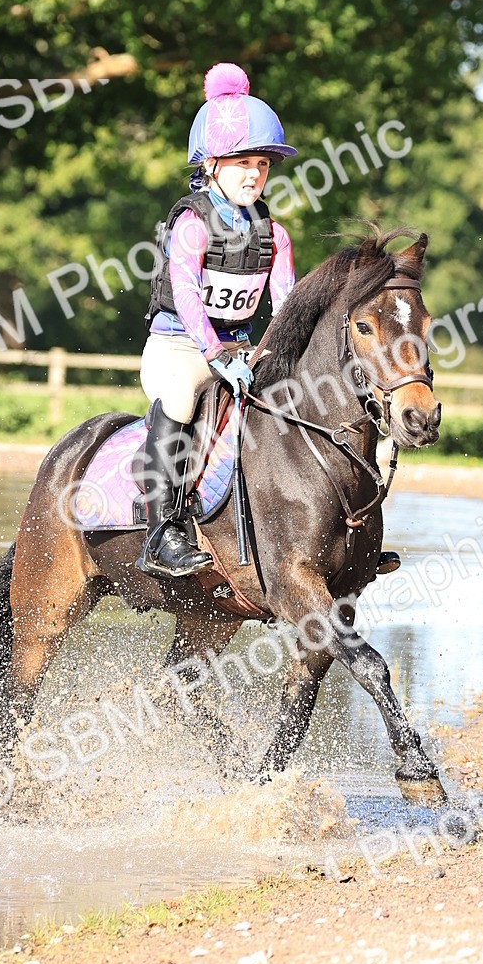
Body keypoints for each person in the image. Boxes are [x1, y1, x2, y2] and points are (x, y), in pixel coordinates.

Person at [136, 62, 297, 578]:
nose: (255, 174)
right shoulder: (191, 224)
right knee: (183, 396)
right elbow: (185, 294)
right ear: (211, 167)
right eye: (242, 162)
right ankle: (162, 532)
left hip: (242, 350)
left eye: (263, 165)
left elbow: (287, 305)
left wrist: (282, 357)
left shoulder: (276, 234)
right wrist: (214, 354)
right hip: (180, 348)